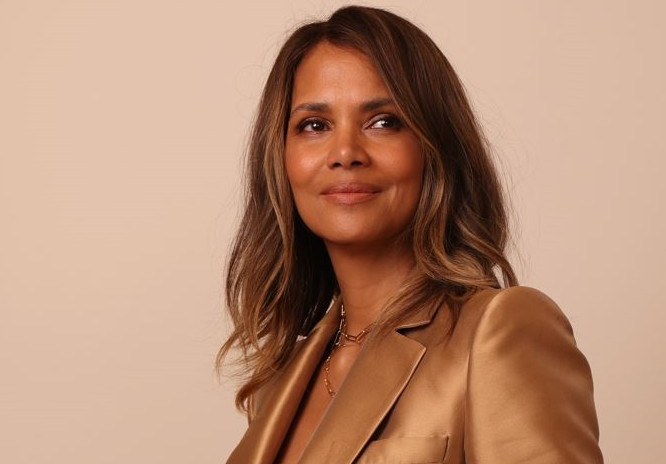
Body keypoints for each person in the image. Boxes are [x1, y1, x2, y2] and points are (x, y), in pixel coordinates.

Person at [219, 5, 602, 463]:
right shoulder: (276, 386)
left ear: (435, 148)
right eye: (315, 125)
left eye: (384, 121)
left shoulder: (497, 331)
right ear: (281, 159)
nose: (345, 152)